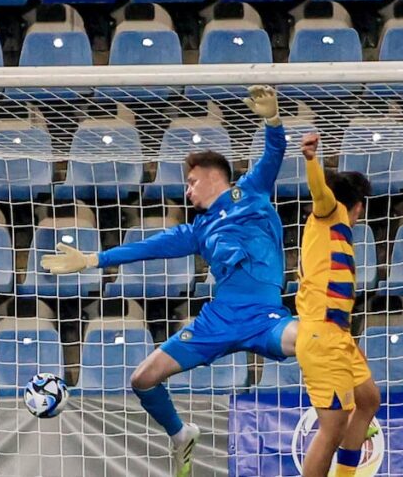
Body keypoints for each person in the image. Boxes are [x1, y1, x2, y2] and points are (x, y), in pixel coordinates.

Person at [42, 86, 298, 477]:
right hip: (218, 320)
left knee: (319, 341)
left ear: (215, 178)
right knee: (142, 379)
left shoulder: (250, 192)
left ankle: (348, 408)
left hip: (266, 316)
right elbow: (148, 247)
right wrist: (94, 259)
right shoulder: (198, 230)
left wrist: (273, 119)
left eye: (192, 181)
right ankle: (180, 435)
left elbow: (273, 154)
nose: (187, 189)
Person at [295, 133, 380, 477]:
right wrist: (312, 160)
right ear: (358, 205)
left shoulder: (339, 232)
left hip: (338, 336)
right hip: (321, 338)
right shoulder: (328, 214)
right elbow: (319, 192)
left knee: (369, 399)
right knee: (332, 429)